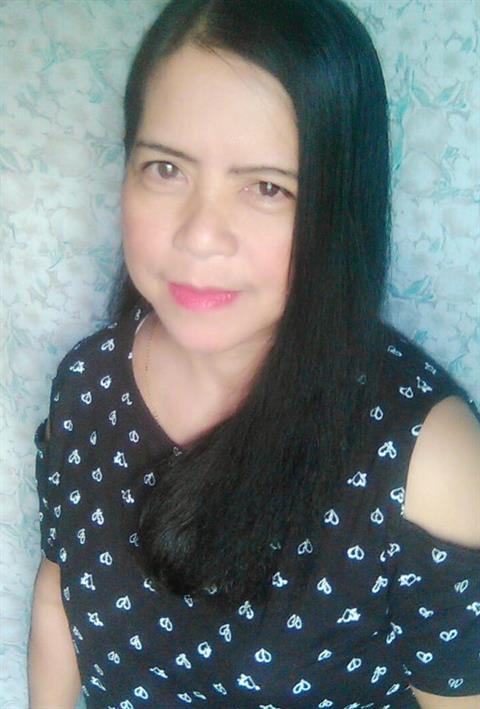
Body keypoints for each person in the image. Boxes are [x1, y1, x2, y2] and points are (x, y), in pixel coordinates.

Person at [28, 0, 480, 707]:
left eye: (268, 187)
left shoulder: (429, 461)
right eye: (166, 168)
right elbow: (60, 592)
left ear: (338, 208)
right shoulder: (87, 382)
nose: (200, 234)